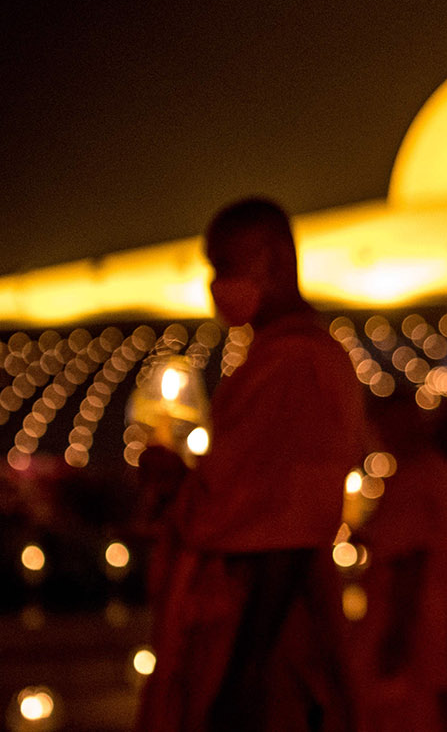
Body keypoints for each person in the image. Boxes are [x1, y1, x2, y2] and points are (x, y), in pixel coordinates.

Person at [136, 197, 366, 731]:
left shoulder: (298, 364)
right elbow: (245, 494)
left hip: (261, 639)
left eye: (226, 268)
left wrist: (244, 675)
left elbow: (286, 533)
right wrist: (181, 482)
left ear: (274, 259)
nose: (215, 286)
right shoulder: (275, 357)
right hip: (239, 629)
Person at [348, 394, 447, 732]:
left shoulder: (415, 479)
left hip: (414, 619)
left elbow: (407, 559)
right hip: (435, 613)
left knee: (408, 709)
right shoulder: (439, 473)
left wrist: (393, 638)